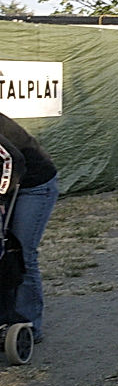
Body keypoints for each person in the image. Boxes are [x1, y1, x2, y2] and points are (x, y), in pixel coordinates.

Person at [0, 113, 59, 344]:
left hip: (34, 184)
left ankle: (29, 326)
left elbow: (12, 160)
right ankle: (5, 316)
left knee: (21, 252)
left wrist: (1, 198)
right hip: (9, 184)